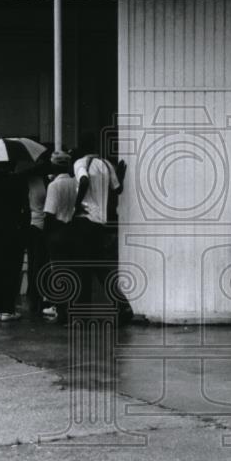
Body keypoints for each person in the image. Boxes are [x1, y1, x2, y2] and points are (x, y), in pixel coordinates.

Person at [71, 134, 132, 322]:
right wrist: (120, 174)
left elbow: (83, 181)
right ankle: (122, 305)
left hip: (85, 219)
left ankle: (82, 315)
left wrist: (76, 205)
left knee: (81, 268)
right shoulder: (106, 164)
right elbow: (118, 189)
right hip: (100, 223)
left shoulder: (80, 163)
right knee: (100, 267)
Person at [0, 165, 29, 322]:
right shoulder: (19, 180)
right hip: (14, 228)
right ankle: (8, 309)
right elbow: (25, 205)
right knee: (12, 270)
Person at [42, 151, 78, 323]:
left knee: (58, 272)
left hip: (57, 230)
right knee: (70, 270)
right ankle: (69, 310)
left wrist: (46, 235)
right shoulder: (75, 182)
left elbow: (49, 213)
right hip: (71, 229)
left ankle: (61, 311)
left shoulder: (54, 186)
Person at [24, 166, 49, 316]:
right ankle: (37, 294)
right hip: (40, 224)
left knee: (33, 261)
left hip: (30, 223)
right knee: (40, 262)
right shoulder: (43, 182)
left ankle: (32, 294)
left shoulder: (26, 181)